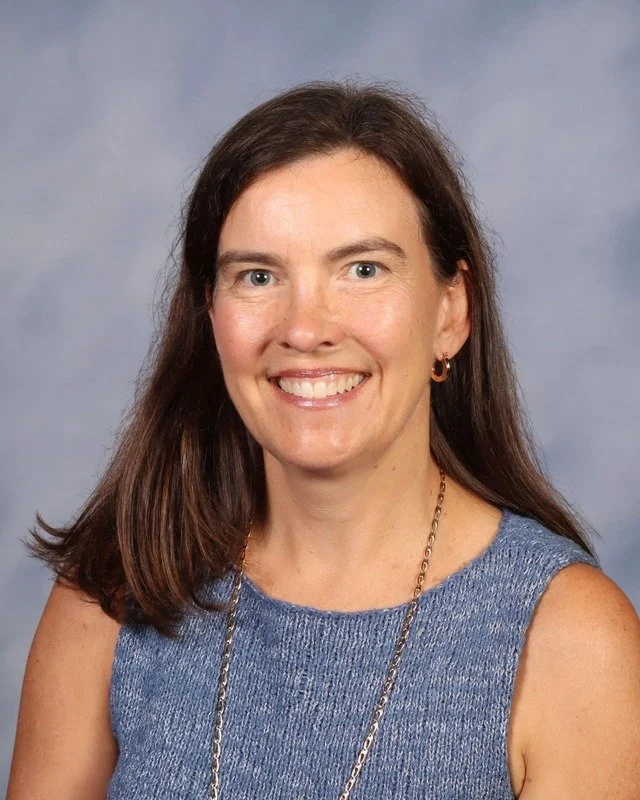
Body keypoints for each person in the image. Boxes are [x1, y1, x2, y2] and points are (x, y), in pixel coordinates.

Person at [7, 78, 640, 800]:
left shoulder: (570, 640)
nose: (305, 328)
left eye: (362, 269)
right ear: (210, 315)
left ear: (450, 311)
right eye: (257, 276)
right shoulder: (113, 595)